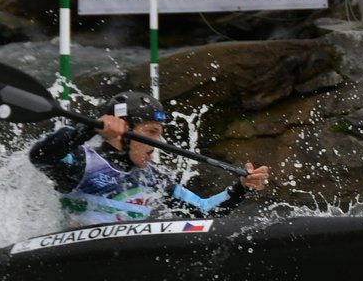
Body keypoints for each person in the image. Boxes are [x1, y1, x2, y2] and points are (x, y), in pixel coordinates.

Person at [29, 91, 270, 229]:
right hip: (77, 259)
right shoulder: (82, 162)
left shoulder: (154, 178)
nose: (158, 144)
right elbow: (41, 155)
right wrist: (88, 129)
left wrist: (240, 188)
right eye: (151, 132)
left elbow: (202, 212)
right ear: (124, 131)